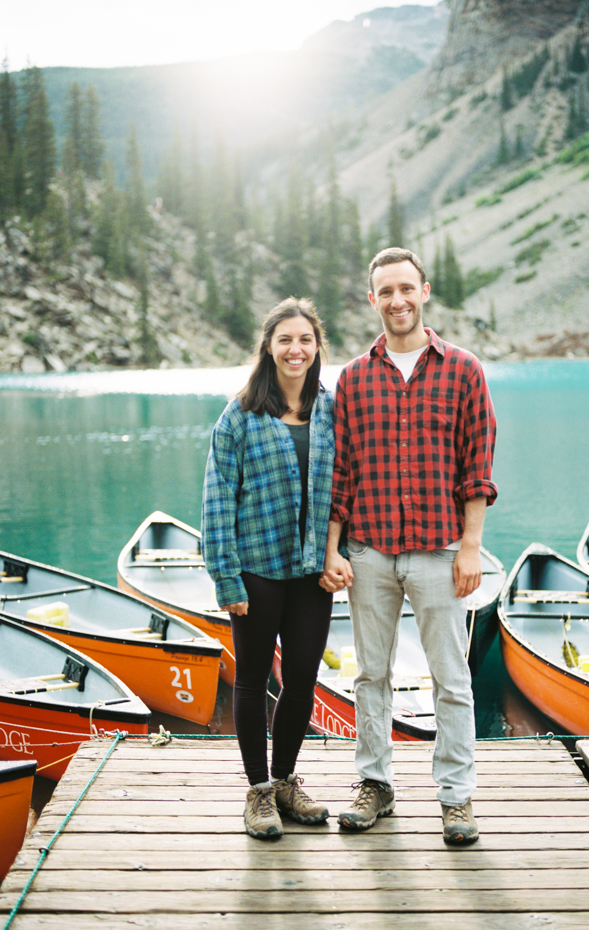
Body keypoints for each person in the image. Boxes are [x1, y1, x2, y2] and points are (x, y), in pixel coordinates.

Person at [321, 247, 497, 846]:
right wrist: (333, 551)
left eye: (406, 288)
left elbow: (477, 466)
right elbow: (339, 475)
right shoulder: (351, 378)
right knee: (371, 675)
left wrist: (471, 546)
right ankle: (376, 784)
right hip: (368, 553)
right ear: (372, 301)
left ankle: (456, 798)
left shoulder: (464, 370)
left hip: (440, 551)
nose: (396, 300)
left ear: (425, 292)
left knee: (451, 678)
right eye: (384, 292)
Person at [202, 297, 335, 841]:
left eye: (305, 339)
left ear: (317, 346)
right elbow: (216, 499)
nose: (295, 349)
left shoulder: (330, 410)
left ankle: (285, 781)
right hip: (255, 569)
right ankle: (257, 791)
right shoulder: (239, 415)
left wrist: (338, 554)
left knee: (303, 675)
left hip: (311, 573)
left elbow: (342, 491)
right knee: (254, 679)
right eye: (285, 340)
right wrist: (225, 577)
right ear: (268, 347)